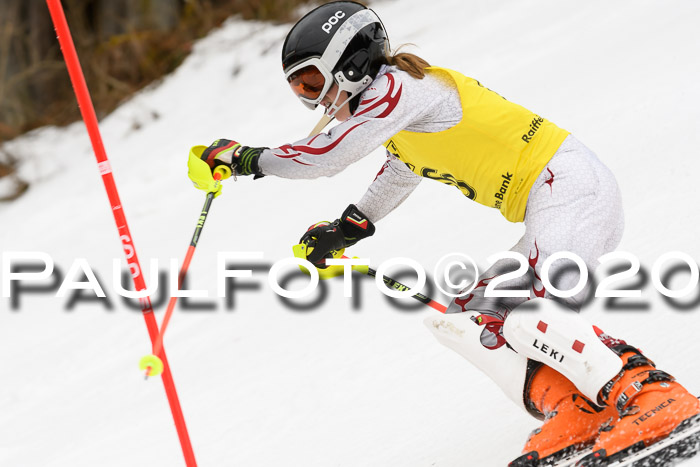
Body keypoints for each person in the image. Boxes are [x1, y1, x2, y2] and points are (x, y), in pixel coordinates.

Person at [191, 1, 699, 464]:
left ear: (351, 64)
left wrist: (245, 159)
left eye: (311, 83)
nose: (312, 101)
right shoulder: (392, 110)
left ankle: (653, 397)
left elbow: (327, 157)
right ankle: (572, 410)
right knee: (468, 319)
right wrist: (350, 227)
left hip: (569, 187)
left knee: (527, 312)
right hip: (551, 198)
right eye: (300, 90)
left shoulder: (399, 89)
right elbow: (402, 169)